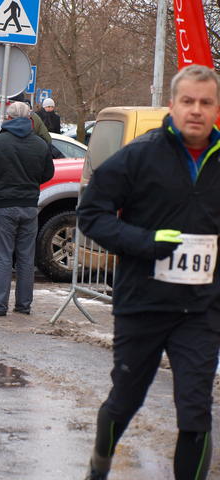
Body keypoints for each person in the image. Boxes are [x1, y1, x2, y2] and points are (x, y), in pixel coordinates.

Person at [78, 64, 220, 480]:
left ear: (216, 109)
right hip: (143, 302)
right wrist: (145, 241)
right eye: (188, 101)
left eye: (206, 102)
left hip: (201, 308)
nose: (196, 110)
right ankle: (100, 464)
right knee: (126, 399)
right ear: (172, 105)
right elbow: (92, 214)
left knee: (196, 410)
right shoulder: (140, 155)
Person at [0, 101, 54, 316]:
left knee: (3, 255)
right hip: (30, 206)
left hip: (4, 206)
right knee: (26, 257)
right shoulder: (40, 144)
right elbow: (48, 173)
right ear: (29, 119)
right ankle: (23, 305)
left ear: (8, 118)